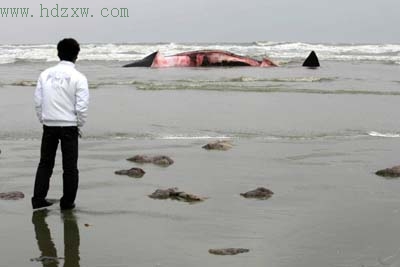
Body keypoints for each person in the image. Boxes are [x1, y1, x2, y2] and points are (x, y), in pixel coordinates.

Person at [32, 38, 89, 210]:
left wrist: (44, 119)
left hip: (49, 124)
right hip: (69, 125)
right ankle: (67, 202)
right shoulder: (79, 77)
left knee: (45, 163)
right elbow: (82, 106)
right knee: (70, 167)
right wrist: (79, 123)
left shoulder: (45, 74)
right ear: (76, 55)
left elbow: (38, 101)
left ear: (58, 53)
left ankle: (38, 198)